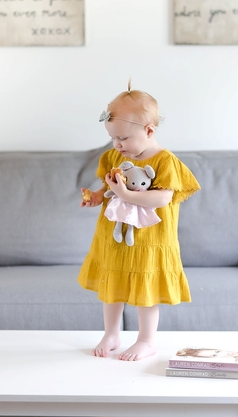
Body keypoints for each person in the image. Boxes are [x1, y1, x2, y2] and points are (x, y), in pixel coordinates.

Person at [78, 81, 200, 361]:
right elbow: (109, 189)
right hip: (114, 236)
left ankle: (147, 340)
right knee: (112, 286)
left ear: (148, 131)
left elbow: (162, 199)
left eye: (123, 138)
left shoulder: (165, 162)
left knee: (146, 290)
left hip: (150, 240)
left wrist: (125, 193)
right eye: (113, 138)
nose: (118, 145)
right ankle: (112, 333)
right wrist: (97, 197)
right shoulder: (113, 157)